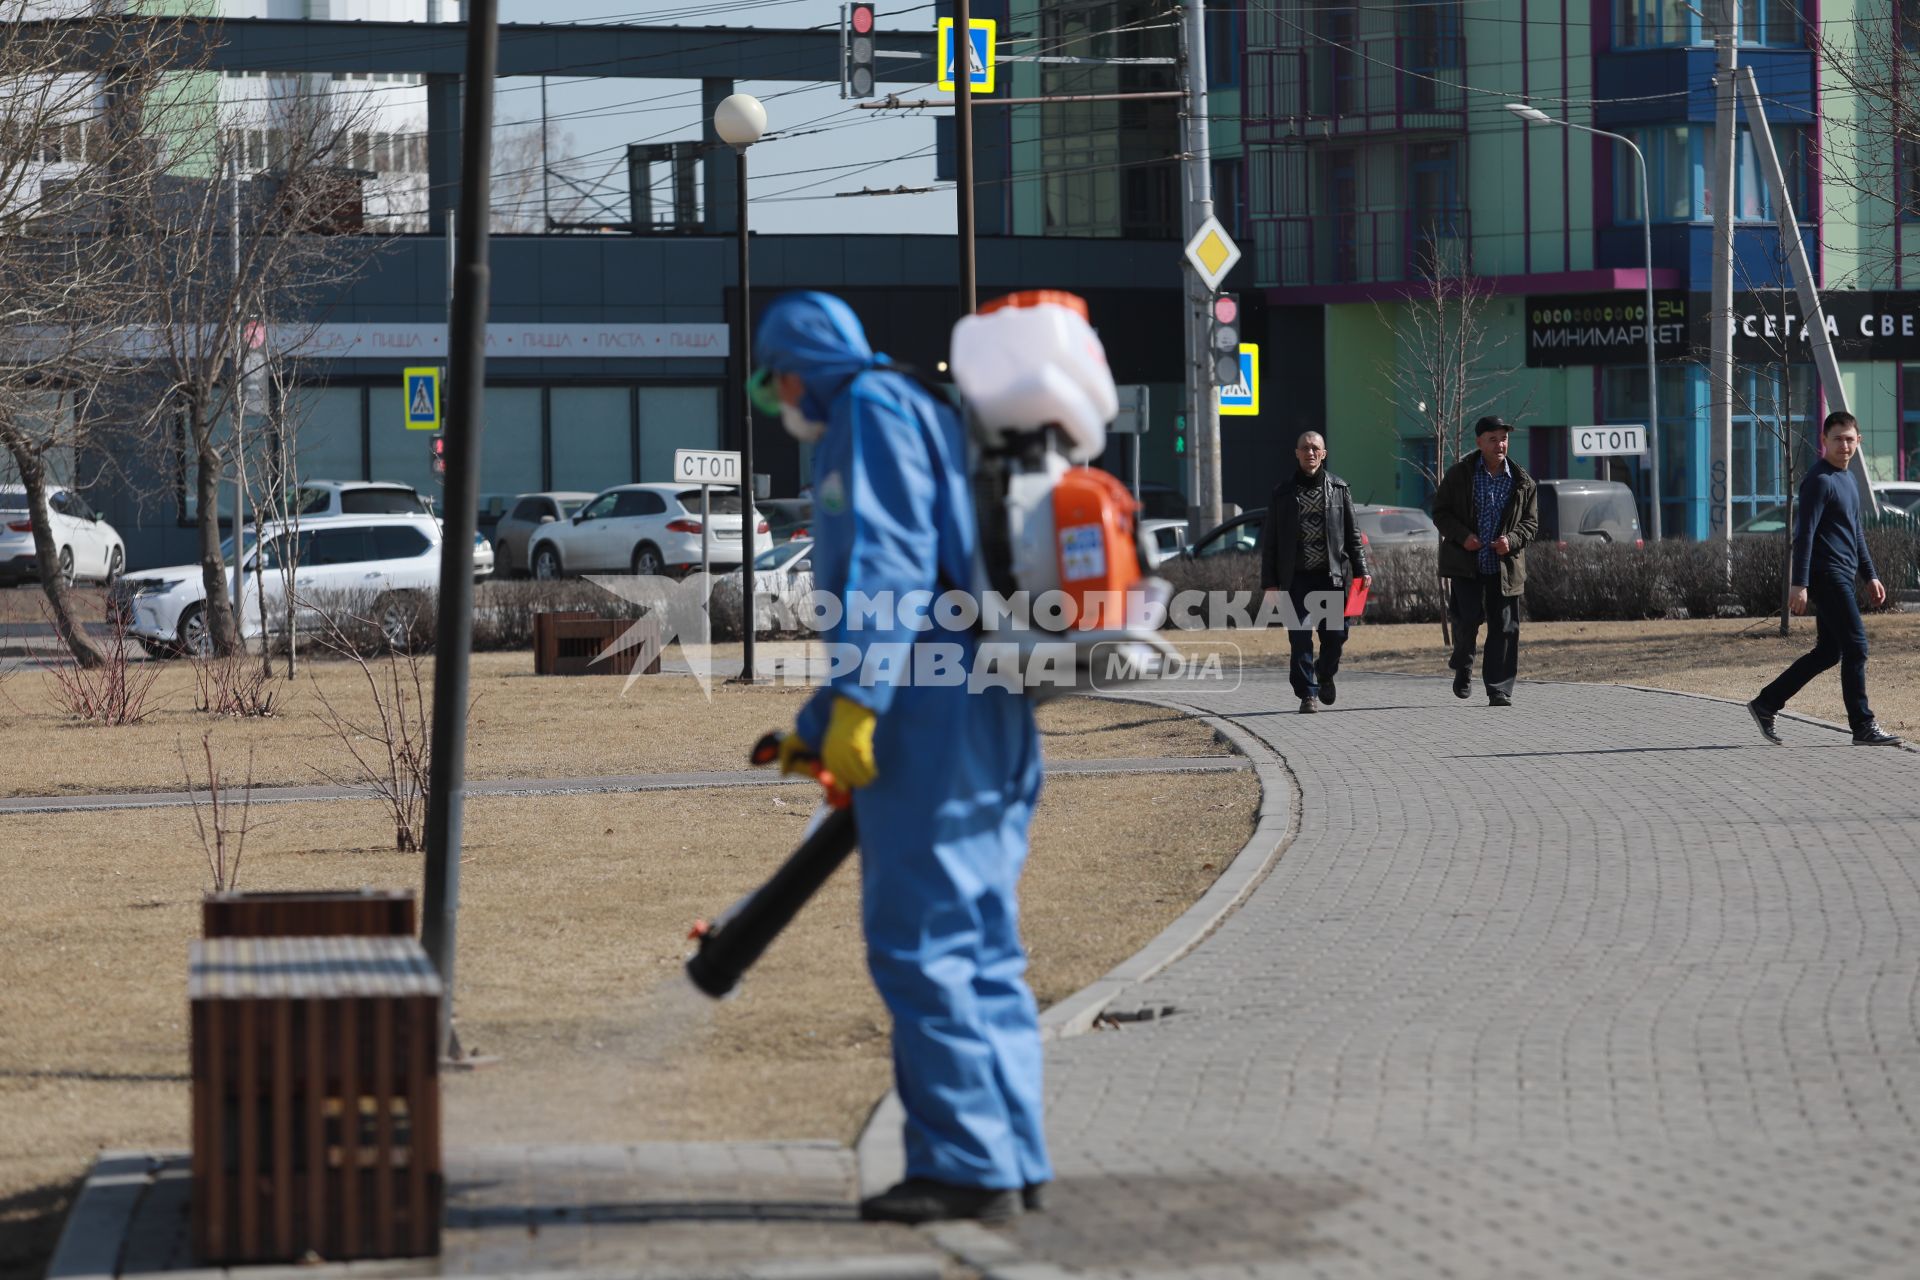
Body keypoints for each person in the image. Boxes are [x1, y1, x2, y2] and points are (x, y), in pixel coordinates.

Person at [752, 291, 1051, 1224]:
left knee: (923, 946)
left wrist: (857, 706)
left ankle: (967, 1169)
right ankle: (1013, 1152)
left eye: (776, 387)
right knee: (984, 944)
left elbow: (884, 566)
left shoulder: (865, 416)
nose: (780, 406)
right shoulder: (919, 402)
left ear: (796, 369)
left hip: (929, 717)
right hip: (982, 700)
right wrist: (818, 718)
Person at [1747, 412, 1902, 747]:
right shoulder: (1818, 481)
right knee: (1857, 646)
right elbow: (1804, 535)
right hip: (1826, 575)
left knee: (1829, 652)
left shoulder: (1847, 479)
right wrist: (1798, 583)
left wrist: (1870, 576)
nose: (1844, 445)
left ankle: (1766, 703)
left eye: (1849, 439)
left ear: (1858, 442)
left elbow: (1855, 532)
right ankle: (1863, 725)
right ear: (1824, 441)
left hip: (1844, 574)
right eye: (1837, 439)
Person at [1257, 431, 1370, 713]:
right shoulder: (1282, 493)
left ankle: (1325, 672)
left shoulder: (1339, 488)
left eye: (1315, 449)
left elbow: (1352, 535)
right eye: (1305, 448)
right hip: (1296, 579)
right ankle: (1308, 694)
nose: (1310, 453)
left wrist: (1361, 570)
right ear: (1296, 453)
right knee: (1299, 637)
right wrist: (1270, 582)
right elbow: (1270, 541)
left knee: (1335, 636)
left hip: (1330, 577)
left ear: (1324, 453)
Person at [1431, 416, 1538, 707]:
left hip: (1504, 568)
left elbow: (1530, 523)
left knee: (1505, 628)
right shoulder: (1459, 475)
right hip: (1467, 566)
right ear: (1479, 442)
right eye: (1493, 439)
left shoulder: (1522, 481)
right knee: (1466, 622)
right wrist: (1463, 536)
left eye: (1503, 438)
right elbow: (1440, 513)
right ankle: (1463, 665)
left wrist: (1511, 541)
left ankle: (1499, 688)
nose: (1500, 444)